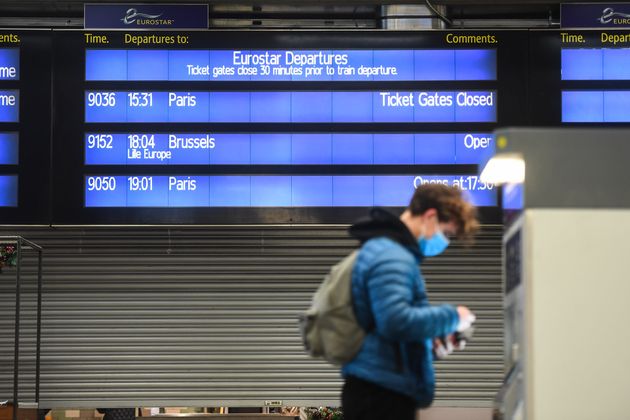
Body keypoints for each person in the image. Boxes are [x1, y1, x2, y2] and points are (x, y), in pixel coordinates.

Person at [341, 184, 479, 420]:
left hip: (381, 388)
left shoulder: (389, 251)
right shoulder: (392, 255)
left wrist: (427, 345)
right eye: (446, 233)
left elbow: (386, 332)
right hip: (380, 396)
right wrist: (454, 316)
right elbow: (395, 321)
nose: (445, 242)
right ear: (431, 216)